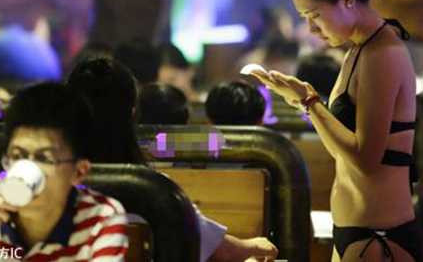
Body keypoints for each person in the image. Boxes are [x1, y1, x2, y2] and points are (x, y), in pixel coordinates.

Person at [251, 0, 419, 262]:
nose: (311, 29)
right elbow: (343, 151)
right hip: (359, 233)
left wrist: (310, 101)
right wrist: (304, 101)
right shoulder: (360, 49)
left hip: (377, 237)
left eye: (314, 16)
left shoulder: (381, 53)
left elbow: (366, 159)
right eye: (305, 18)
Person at [67, 57, 278, 262]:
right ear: (133, 113)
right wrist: (254, 245)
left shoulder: (56, 186)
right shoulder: (153, 191)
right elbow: (218, 250)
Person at [0, 82, 129, 260]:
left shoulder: (101, 219)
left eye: (44, 158)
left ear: (79, 172)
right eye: (17, 156)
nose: (26, 168)